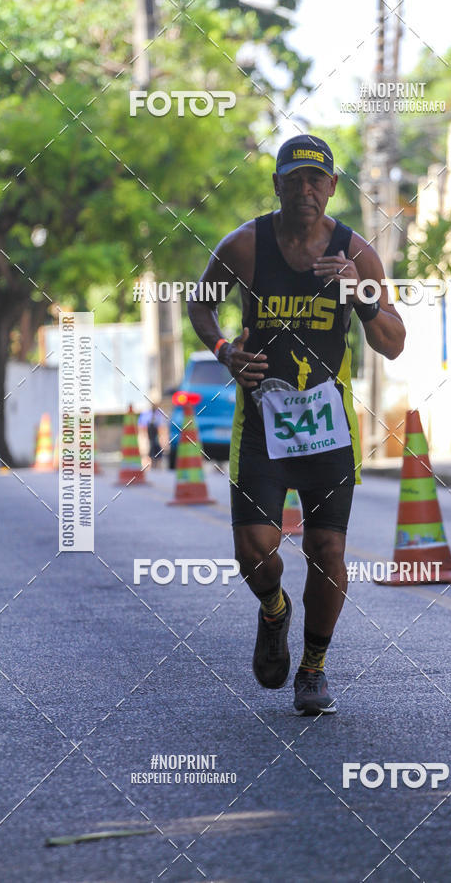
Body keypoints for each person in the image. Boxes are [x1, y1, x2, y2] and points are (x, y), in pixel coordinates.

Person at [188, 134, 405, 715]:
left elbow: (394, 342)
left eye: (317, 180)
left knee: (327, 548)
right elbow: (199, 302)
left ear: (333, 186)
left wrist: (358, 295)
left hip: (328, 426)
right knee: (255, 550)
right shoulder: (245, 247)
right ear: (277, 185)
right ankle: (274, 611)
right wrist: (225, 349)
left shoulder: (356, 254)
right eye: (294, 179)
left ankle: (313, 668)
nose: (306, 190)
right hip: (262, 421)